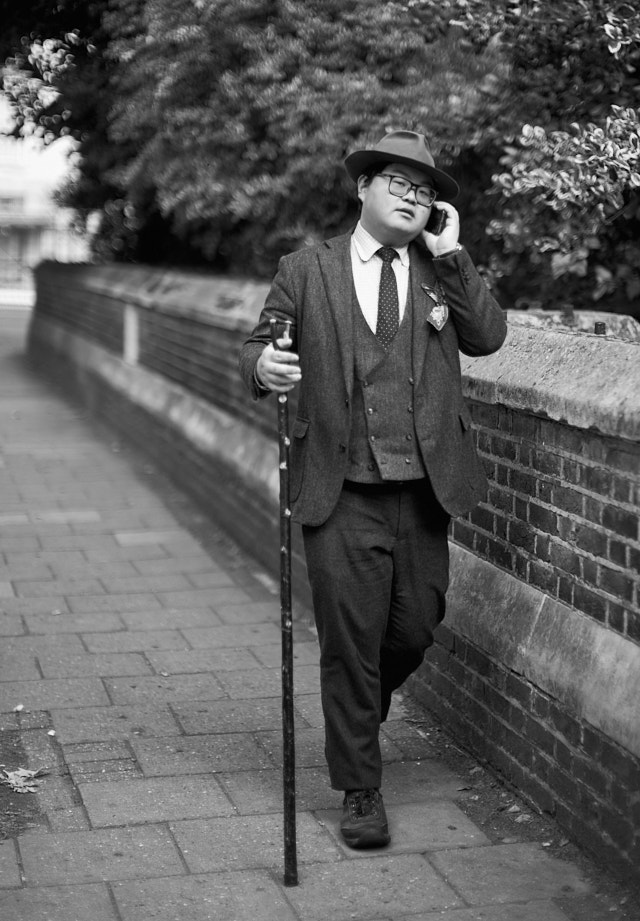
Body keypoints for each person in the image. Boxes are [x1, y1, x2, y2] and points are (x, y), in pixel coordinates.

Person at [238, 129, 507, 849]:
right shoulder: (306, 269)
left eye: (426, 191)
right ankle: (360, 787)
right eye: (399, 183)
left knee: (415, 625)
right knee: (349, 641)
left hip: (423, 488)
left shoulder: (438, 269)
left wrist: (453, 253)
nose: (414, 198)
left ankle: (358, 711)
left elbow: (487, 336)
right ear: (362, 188)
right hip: (339, 484)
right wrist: (267, 366)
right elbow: (260, 345)